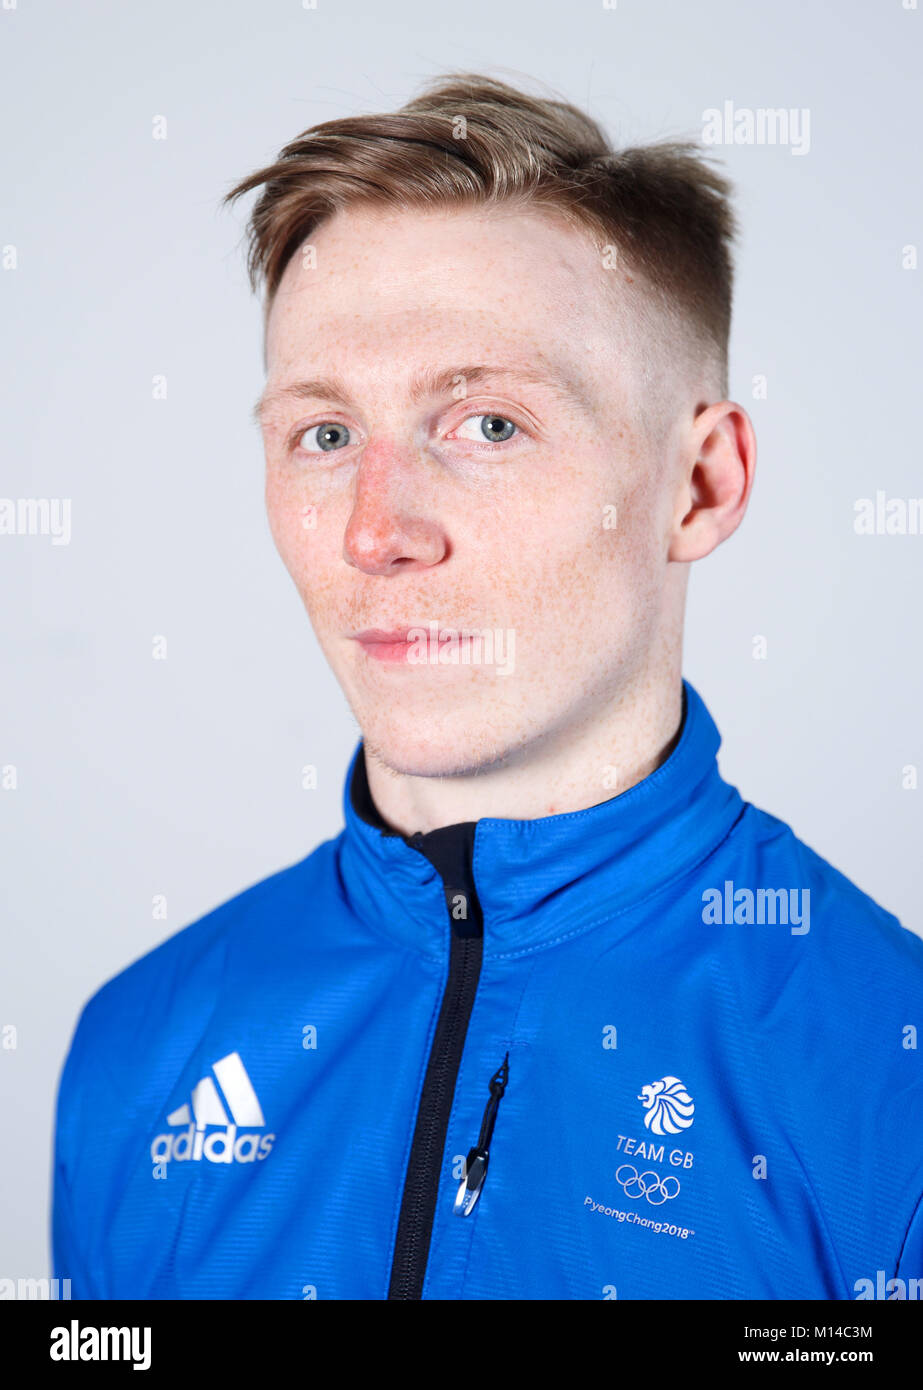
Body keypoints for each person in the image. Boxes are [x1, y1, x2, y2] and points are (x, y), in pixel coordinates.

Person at [52, 72, 923, 1301]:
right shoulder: (140, 1048)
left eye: (488, 426)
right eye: (325, 433)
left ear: (701, 485)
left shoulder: (891, 1077)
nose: (375, 533)